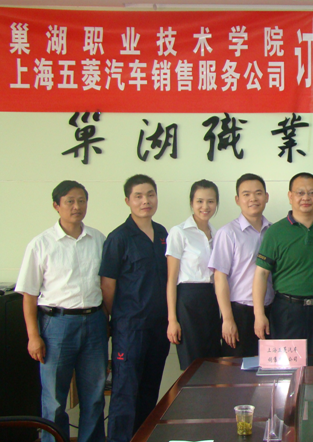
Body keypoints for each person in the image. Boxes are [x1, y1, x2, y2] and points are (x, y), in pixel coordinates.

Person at [15, 180, 107, 442]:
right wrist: (34, 336)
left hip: (94, 322)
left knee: (94, 395)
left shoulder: (98, 239)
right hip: (56, 325)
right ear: (56, 205)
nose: (77, 206)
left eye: (81, 201)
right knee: (54, 399)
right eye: (70, 201)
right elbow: (29, 295)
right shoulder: (41, 244)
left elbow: (106, 284)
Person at [99, 174, 169, 442]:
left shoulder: (163, 234)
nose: (145, 201)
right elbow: (108, 285)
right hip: (130, 328)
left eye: (150, 195)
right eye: (138, 196)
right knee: (125, 393)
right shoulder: (118, 238)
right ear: (127, 201)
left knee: (150, 390)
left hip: (159, 327)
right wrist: (120, 318)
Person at [253, 172, 313, 355]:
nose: (306, 198)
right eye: (300, 193)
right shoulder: (275, 232)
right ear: (290, 196)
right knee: (287, 364)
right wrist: (259, 315)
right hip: (287, 311)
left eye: (311, 193)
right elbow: (261, 274)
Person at [209, 173, 274, 357]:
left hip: (270, 311)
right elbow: (219, 277)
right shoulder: (228, 233)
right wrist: (227, 319)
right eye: (246, 194)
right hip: (240, 313)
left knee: (270, 368)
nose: (253, 198)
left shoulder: (274, 231)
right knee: (237, 369)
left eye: (258, 193)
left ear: (266, 197)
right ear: (237, 200)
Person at [166, 180, 220, 370]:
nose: (205, 206)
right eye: (200, 201)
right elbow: (171, 280)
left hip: (212, 300)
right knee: (192, 365)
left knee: (213, 362)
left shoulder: (218, 234)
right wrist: (172, 320)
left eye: (210, 201)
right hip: (188, 301)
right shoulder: (179, 232)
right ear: (191, 202)